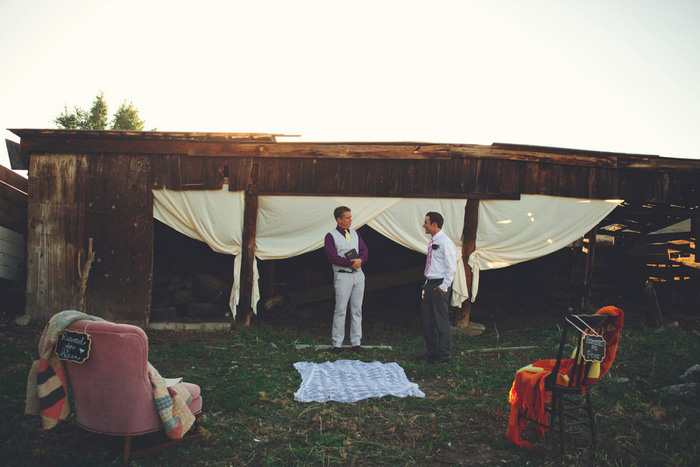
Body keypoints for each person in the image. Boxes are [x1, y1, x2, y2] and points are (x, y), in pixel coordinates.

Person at [323, 206, 368, 354]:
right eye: (347, 217)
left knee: (357, 309)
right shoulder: (331, 236)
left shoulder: (355, 233)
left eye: (350, 217)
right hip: (343, 275)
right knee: (341, 309)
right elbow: (332, 256)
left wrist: (360, 260)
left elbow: (364, 250)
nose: (350, 220)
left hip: (358, 274)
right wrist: (350, 263)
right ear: (339, 220)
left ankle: (356, 342)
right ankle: (337, 343)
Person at [418, 211, 457, 363]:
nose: (424, 225)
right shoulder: (432, 241)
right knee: (428, 321)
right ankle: (432, 352)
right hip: (430, 284)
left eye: (426, 222)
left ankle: (443, 354)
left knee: (441, 321)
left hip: (439, 285)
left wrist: (444, 286)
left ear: (434, 224)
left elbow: (451, 267)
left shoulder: (445, 242)